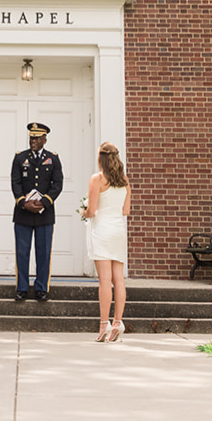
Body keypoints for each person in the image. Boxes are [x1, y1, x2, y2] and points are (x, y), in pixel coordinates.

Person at [82, 141, 130, 342]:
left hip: (102, 230)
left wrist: (84, 211)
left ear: (100, 158)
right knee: (118, 279)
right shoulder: (125, 181)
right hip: (118, 230)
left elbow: (92, 211)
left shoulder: (97, 179)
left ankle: (104, 325)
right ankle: (118, 322)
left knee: (104, 280)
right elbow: (126, 211)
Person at [10, 121, 63, 302]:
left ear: (44, 140)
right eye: (31, 137)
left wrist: (44, 202)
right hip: (23, 213)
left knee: (43, 252)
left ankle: (41, 288)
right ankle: (22, 288)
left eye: (37, 138)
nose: (33, 141)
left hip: (45, 214)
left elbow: (58, 184)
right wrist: (23, 203)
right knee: (22, 252)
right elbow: (15, 182)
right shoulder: (20, 158)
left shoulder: (53, 158)